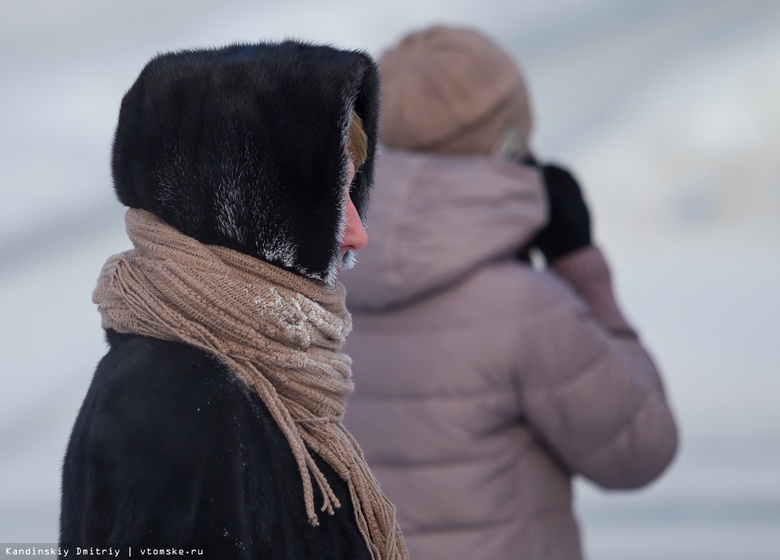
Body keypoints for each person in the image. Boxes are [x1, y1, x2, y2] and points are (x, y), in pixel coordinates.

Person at [59, 41, 408, 560]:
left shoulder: (245, 377)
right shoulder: (177, 398)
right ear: (250, 208)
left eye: (354, 196)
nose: (357, 234)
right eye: (333, 200)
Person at [341, 25, 678, 560]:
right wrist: (582, 271)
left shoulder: (316, 284)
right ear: (509, 143)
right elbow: (641, 451)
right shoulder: (526, 310)